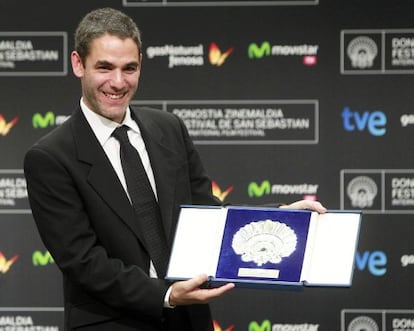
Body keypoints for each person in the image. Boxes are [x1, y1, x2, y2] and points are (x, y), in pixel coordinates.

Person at [23, 7, 327, 331]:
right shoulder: (50, 157)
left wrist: (279, 217)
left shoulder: (168, 128)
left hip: (188, 321)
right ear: (78, 64)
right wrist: (166, 293)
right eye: (104, 67)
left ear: (141, 64)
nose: (118, 82)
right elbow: (84, 263)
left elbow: (206, 215)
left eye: (129, 68)